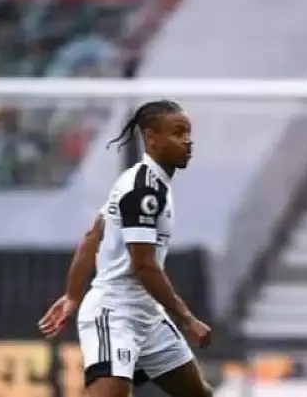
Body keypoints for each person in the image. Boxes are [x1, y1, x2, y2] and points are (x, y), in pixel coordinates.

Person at [38, 100, 213, 397]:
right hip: (115, 313)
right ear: (151, 138)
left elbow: (93, 235)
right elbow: (142, 265)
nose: (188, 141)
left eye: (188, 133)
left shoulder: (145, 181)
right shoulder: (142, 189)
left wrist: (73, 295)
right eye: (178, 133)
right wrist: (187, 319)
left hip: (148, 315)